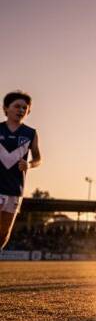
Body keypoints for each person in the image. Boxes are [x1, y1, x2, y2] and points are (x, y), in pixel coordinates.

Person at [0, 91, 41, 251]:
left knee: (4, 232)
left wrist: (29, 165)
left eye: (25, 108)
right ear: (6, 108)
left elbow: (38, 158)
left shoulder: (30, 133)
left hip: (15, 189)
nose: (21, 110)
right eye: (17, 106)